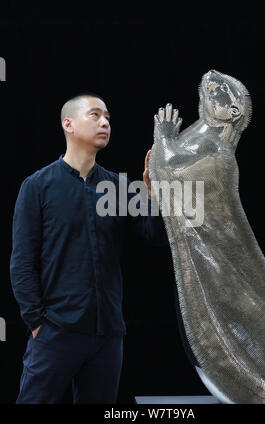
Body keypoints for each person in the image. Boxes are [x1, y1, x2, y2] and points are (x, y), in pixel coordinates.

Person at [10, 92, 168, 404]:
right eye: (95, 115)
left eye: (107, 117)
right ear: (68, 124)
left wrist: (153, 193)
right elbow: (22, 263)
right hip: (55, 331)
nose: (105, 122)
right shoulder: (38, 186)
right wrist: (37, 323)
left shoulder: (117, 187)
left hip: (107, 334)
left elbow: (156, 236)